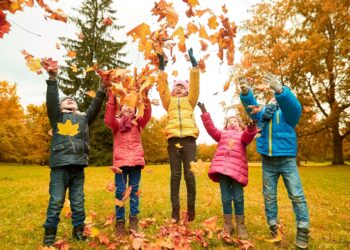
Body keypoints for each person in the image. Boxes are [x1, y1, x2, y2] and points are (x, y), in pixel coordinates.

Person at [239, 73, 310, 249]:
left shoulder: (289, 114)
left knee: (296, 195)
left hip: (287, 160)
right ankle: (273, 226)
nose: (273, 97)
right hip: (268, 161)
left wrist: (281, 90)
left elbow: (294, 106)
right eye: (273, 94)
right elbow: (251, 108)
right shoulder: (263, 113)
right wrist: (246, 93)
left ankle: (303, 229)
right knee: (269, 196)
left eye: (276, 94)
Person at [42, 67, 106, 246]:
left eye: (73, 100)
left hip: (78, 166)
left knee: (78, 201)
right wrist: (53, 78)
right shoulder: (58, 117)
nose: (69, 99)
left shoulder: (84, 119)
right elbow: (52, 101)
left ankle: (79, 231)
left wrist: (102, 88)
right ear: (61, 107)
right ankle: (49, 236)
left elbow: (95, 106)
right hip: (60, 166)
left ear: (77, 107)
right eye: (65, 100)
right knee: (56, 201)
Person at [198, 102, 258, 239]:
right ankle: (228, 225)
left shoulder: (242, 135)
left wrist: (251, 127)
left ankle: (241, 225)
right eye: (230, 121)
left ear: (240, 125)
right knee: (226, 199)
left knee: (238, 198)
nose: (232, 123)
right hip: (223, 171)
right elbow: (211, 129)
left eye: (235, 121)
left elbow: (249, 135)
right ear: (225, 125)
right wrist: (204, 113)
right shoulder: (221, 135)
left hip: (237, 172)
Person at [156, 48, 200, 222]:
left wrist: (194, 66)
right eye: (177, 87)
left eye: (183, 87)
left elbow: (195, 86)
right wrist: (161, 69)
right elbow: (163, 89)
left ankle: (190, 209)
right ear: (173, 91)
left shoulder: (191, 101)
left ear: (187, 91)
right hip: (173, 140)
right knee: (175, 175)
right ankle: (175, 211)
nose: (180, 89)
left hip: (189, 140)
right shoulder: (169, 102)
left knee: (189, 174)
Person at [104, 89, 152, 235]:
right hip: (120, 163)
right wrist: (112, 96)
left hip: (136, 162)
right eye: (125, 104)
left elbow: (147, 114)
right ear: (120, 108)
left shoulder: (138, 123)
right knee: (120, 191)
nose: (127, 107)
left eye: (131, 104)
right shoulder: (116, 124)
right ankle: (120, 222)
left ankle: (133, 220)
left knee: (134, 191)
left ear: (136, 109)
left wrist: (145, 96)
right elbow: (108, 118)